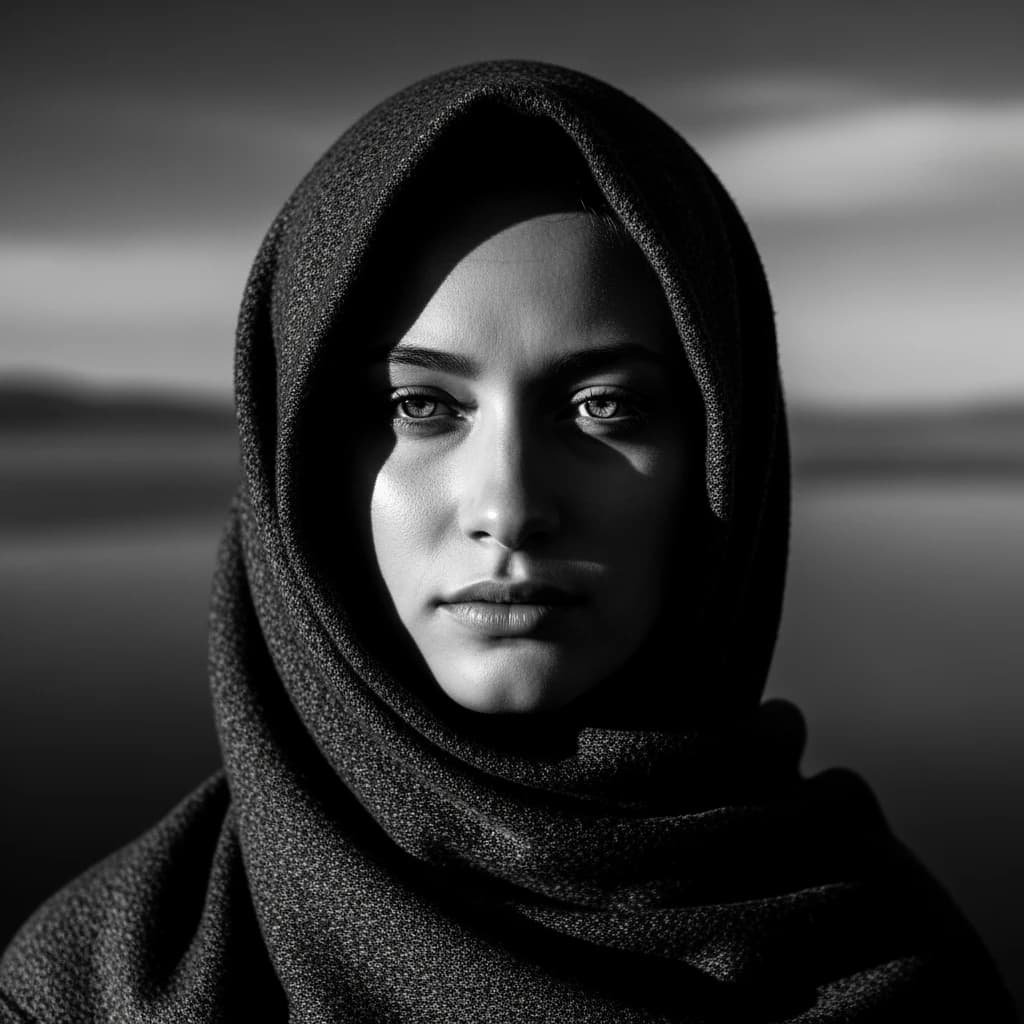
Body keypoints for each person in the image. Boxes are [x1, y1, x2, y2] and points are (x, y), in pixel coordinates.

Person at [0, 60, 1013, 1023]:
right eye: (419, 405)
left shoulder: (881, 964)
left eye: (604, 405)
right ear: (293, 464)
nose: (510, 504)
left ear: (727, 452)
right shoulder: (105, 982)